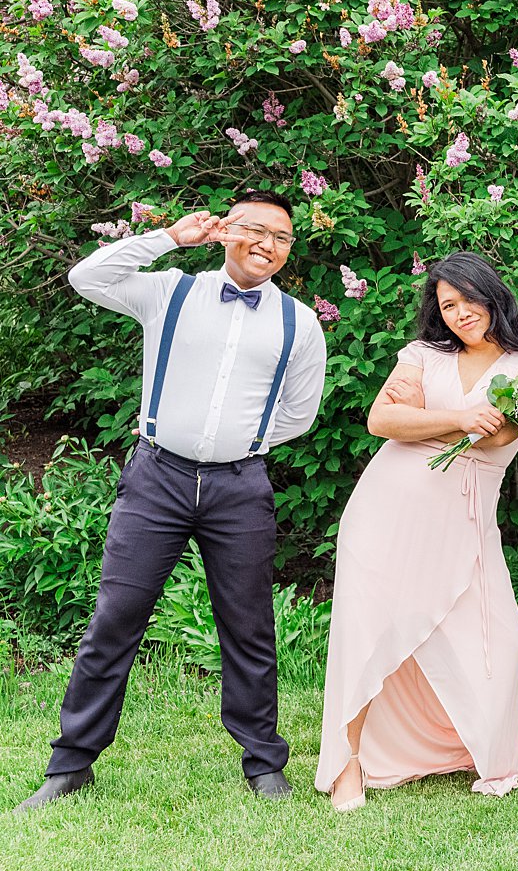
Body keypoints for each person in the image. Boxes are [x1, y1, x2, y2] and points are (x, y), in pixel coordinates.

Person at [19, 191, 327, 812]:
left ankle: (263, 763)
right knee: (115, 619)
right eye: (254, 230)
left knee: (249, 627)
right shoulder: (169, 292)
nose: (267, 244)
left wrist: (242, 445)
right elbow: (87, 276)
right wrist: (170, 238)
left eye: (282, 237)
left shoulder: (299, 322)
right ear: (225, 231)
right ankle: (71, 765)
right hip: (155, 479)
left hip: (240, 487)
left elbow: (300, 413)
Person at [315, 254, 518, 811]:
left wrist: (427, 419)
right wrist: (460, 419)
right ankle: (346, 765)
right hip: (386, 510)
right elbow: (382, 421)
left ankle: (469, 744)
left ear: (493, 296)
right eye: (447, 304)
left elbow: (498, 439)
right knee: (369, 632)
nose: (460, 312)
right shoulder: (423, 354)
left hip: (466, 518)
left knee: (497, 642)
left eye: (469, 299)